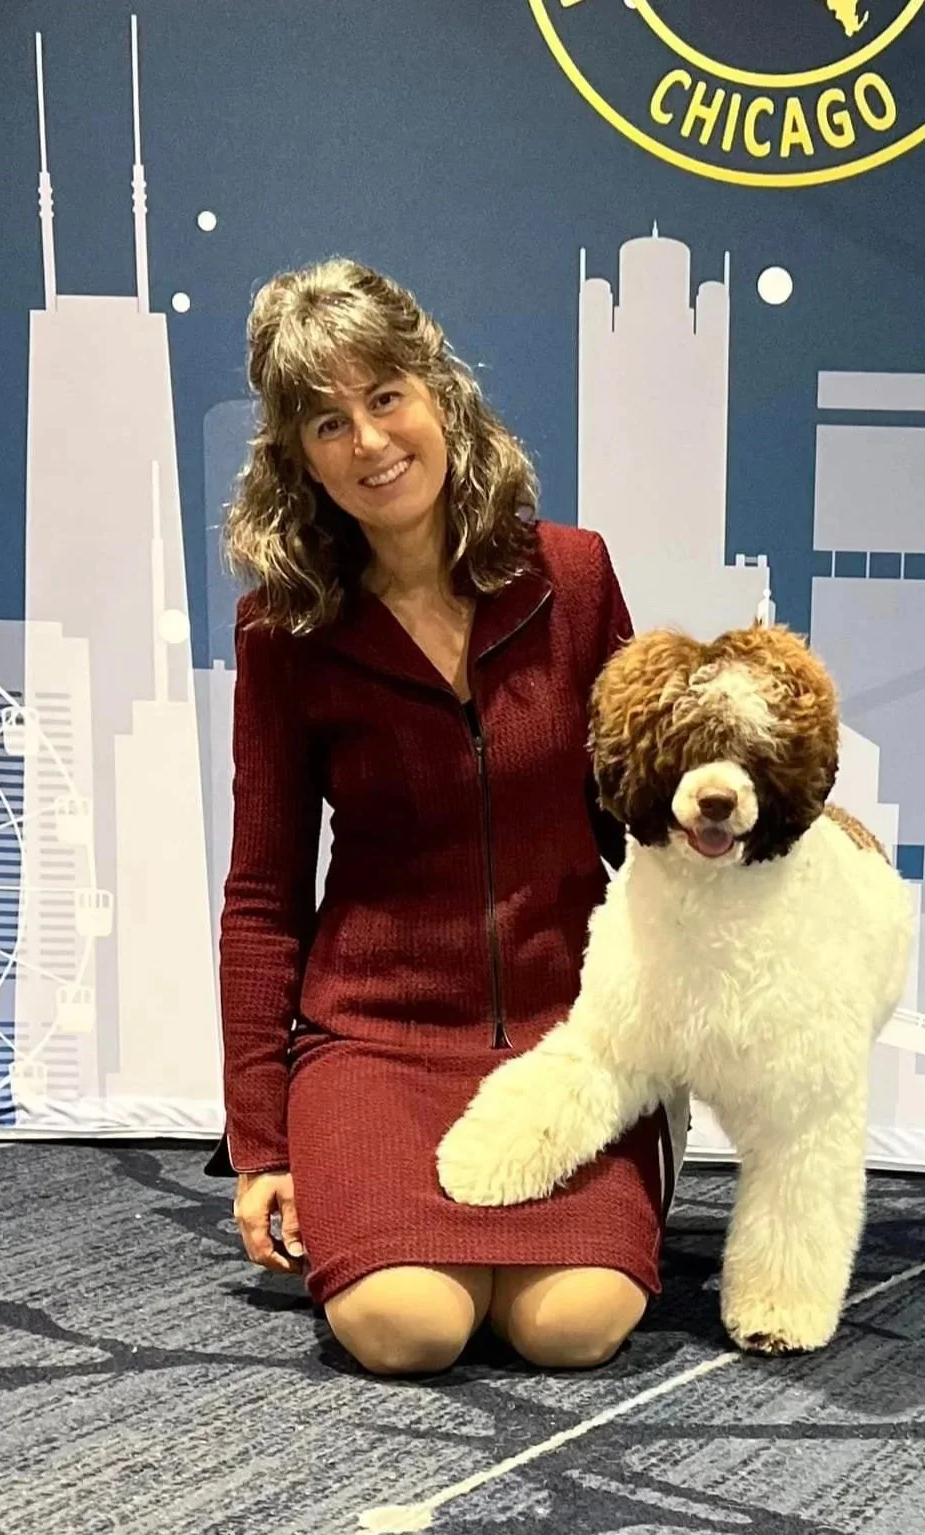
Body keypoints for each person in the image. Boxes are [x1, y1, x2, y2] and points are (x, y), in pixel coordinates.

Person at [204, 256, 681, 1377]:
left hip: (570, 1040)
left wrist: (789, 838)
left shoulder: (569, 574)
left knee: (574, 1326)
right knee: (407, 1326)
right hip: (374, 1039)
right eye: (328, 422)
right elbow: (265, 893)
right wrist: (261, 1140)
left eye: (384, 398)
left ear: (438, 395)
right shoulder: (285, 630)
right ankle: (394, 1213)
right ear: (298, 459)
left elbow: (643, 799)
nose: (368, 442)